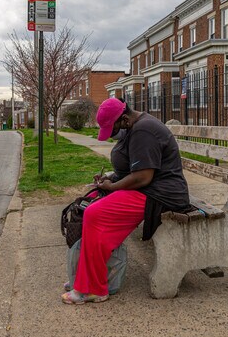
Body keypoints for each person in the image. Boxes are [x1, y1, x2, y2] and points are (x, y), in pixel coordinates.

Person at [61, 97, 191, 305]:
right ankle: (85, 279)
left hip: (162, 195)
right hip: (150, 190)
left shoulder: (144, 130)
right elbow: (134, 170)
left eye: (113, 129)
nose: (113, 135)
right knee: (92, 209)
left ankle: (92, 289)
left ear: (124, 119)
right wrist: (111, 179)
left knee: (95, 213)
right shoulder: (135, 127)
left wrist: (112, 187)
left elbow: (143, 176)